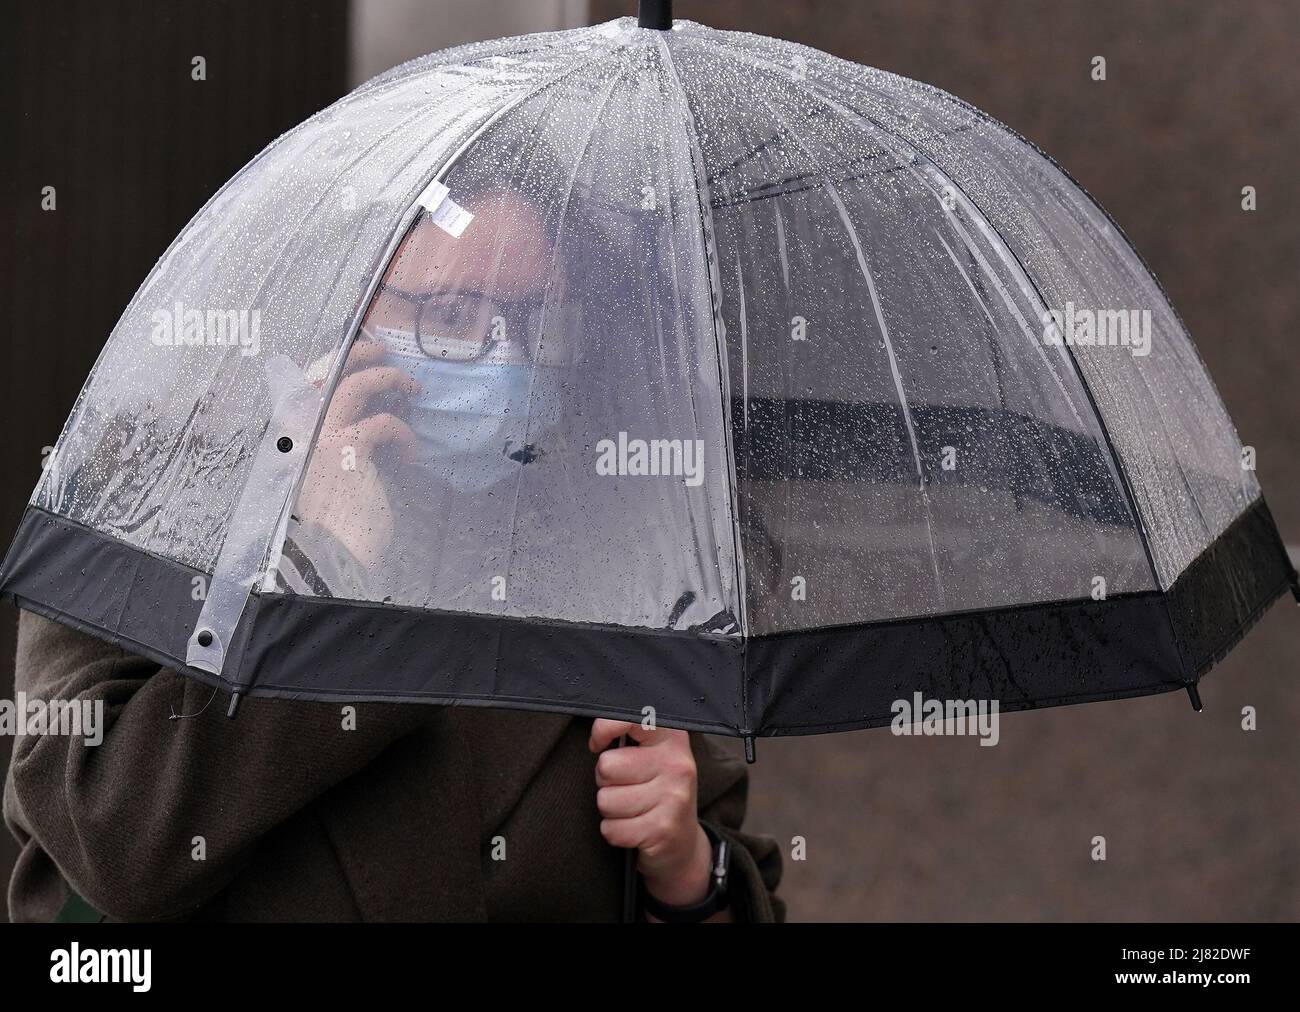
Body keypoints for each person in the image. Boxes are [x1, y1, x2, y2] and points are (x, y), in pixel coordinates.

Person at [3, 181, 783, 923]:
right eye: (450, 314)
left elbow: (730, 877)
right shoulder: (157, 494)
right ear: (345, 302)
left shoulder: (627, 548)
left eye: (535, 320)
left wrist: (688, 871)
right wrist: (325, 569)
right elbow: (107, 845)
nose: (501, 358)